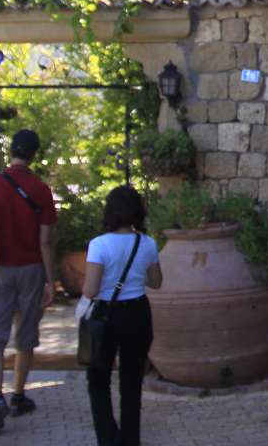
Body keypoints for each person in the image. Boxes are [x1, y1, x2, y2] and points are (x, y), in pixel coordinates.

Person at [0, 129, 57, 434]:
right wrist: (50, 280)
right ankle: (18, 394)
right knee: (26, 333)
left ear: (11, 151)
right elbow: (46, 241)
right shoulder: (41, 190)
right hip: (31, 268)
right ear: (34, 154)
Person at [82, 185, 163, 446]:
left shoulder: (99, 245)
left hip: (106, 314)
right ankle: (130, 440)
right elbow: (156, 282)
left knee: (98, 380)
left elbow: (91, 290)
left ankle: (108, 439)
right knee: (131, 382)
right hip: (138, 312)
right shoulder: (147, 243)